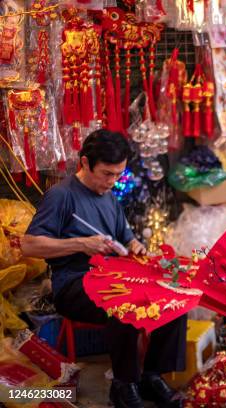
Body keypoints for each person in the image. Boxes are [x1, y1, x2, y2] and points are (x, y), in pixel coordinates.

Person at [21, 130, 185, 408]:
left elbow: (126, 236)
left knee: (175, 297)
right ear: (85, 163)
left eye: (118, 174)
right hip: (74, 284)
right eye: (107, 174)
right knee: (125, 305)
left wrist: (135, 246)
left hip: (114, 276)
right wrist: (80, 244)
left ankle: (151, 375)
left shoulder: (108, 195)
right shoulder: (61, 196)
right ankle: (124, 384)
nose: (113, 181)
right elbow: (29, 245)